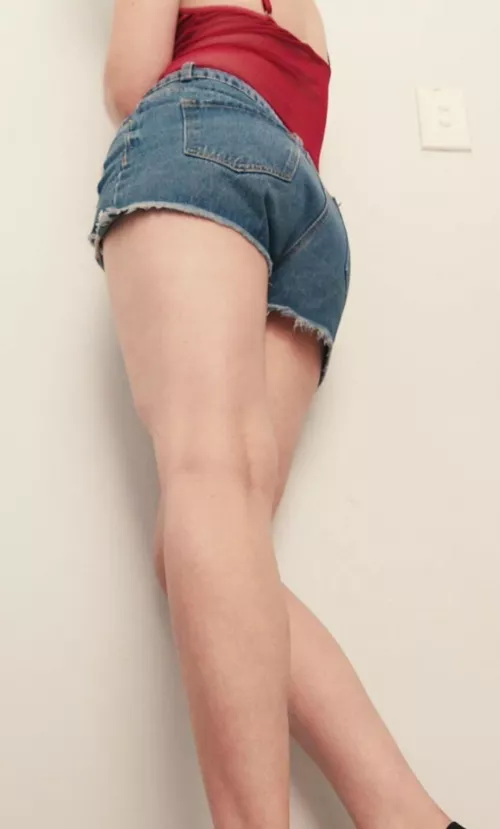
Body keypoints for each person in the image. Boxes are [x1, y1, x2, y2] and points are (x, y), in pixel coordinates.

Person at [89, 2, 469, 828]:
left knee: (207, 477)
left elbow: (130, 80)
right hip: (311, 211)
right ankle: (410, 817)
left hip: (202, 141)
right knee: (211, 530)